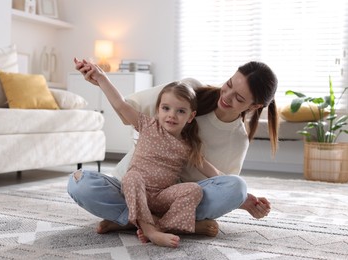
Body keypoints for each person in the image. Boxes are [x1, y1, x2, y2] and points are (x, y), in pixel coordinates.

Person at [68, 60, 278, 239]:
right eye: (229, 84)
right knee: (79, 183)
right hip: (128, 188)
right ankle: (163, 224)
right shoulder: (186, 91)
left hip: (171, 199)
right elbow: (125, 108)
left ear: (254, 107)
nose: (227, 96)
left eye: (239, 98)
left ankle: (134, 221)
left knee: (237, 187)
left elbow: (221, 184)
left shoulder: (231, 142)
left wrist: (245, 199)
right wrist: (101, 79)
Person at [73, 58, 222, 248]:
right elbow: (120, 104)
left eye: (180, 111)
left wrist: (244, 195)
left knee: (194, 189)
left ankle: (142, 224)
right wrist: (101, 77)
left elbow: (213, 173)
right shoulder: (148, 125)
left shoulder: (188, 146)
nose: (171, 115)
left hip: (161, 198)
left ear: (191, 116)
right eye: (166, 108)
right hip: (134, 191)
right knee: (132, 177)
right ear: (158, 110)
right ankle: (151, 231)